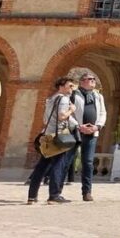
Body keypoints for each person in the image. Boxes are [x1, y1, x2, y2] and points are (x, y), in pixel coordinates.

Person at [27, 76, 78, 204]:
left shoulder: (51, 99)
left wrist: (76, 124)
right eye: (70, 86)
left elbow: (45, 119)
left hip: (47, 135)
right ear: (61, 86)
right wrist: (71, 110)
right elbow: (61, 117)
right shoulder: (64, 99)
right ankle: (54, 195)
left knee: (41, 166)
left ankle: (32, 196)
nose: (72, 88)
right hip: (58, 137)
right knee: (58, 165)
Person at [65, 70, 106, 202]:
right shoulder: (74, 95)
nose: (93, 80)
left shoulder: (98, 96)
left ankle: (86, 192)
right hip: (75, 131)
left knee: (88, 162)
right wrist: (78, 126)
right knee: (66, 160)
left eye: (94, 79)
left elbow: (102, 113)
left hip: (92, 132)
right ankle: (56, 191)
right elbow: (68, 113)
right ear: (82, 82)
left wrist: (97, 126)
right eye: (90, 79)